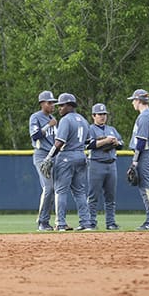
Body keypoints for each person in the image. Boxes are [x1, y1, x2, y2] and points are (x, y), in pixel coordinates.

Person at [41, 93, 91, 231]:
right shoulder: (83, 120)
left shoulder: (66, 120)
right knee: (80, 192)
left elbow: (59, 143)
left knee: (60, 191)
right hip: (81, 156)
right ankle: (86, 223)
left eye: (62, 105)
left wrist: (48, 157)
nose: (59, 108)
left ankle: (60, 223)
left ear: (70, 105)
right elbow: (88, 142)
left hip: (66, 157)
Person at [127, 89, 149, 230]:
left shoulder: (145, 116)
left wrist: (134, 161)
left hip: (146, 154)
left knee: (147, 187)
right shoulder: (147, 115)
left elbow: (141, 141)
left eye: (134, 100)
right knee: (144, 187)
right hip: (147, 154)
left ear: (139, 100)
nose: (133, 103)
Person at [86, 103, 123, 230]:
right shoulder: (90, 129)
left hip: (111, 164)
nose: (102, 117)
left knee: (110, 197)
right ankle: (91, 222)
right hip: (96, 164)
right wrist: (105, 141)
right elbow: (88, 145)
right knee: (93, 196)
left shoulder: (111, 129)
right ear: (93, 116)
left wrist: (116, 142)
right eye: (99, 114)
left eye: (104, 114)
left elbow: (121, 144)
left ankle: (111, 223)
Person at [29, 90, 58, 231]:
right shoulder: (36, 117)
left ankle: (56, 221)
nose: (52, 105)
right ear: (42, 104)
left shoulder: (53, 118)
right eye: (49, 102)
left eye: (53, 102)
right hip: (41, 156)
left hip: (53, 156)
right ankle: (42, 222)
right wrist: (49, 125)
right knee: (48, 188)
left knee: (55, 189)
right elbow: (35, 135)